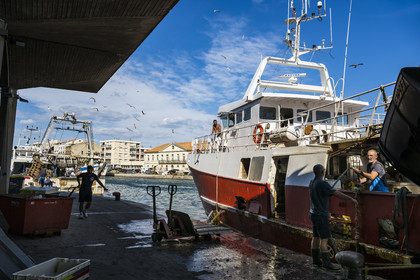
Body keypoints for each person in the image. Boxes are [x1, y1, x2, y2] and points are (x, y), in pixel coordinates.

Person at [309, 164, 358, 270]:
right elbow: (336, 193)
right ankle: (327, 263)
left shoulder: (312, 182)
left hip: (313, 213)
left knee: (315, 237)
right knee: (324, 239)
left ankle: (316, 260)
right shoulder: (322, 183)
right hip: (321, 215)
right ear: (322, 172)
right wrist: (351, 199)